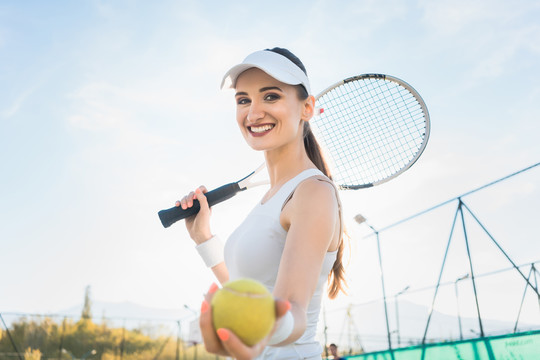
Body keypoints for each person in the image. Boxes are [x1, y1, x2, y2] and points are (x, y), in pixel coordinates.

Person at [176, 47, 347, 359]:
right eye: (243, 100)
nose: (253, 113)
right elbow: (252, 291)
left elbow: (292, 312)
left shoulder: (313, 192)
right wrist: (203, 238)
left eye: (271, 96)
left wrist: (261, 327)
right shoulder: (271, 197)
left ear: (307, 107)